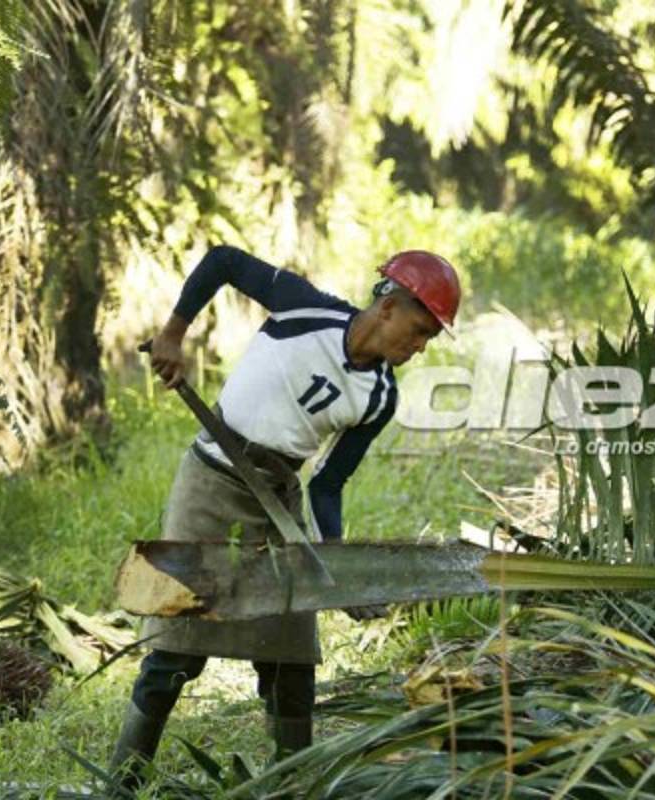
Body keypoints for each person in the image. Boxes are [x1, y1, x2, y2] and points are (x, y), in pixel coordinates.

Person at [110, 244, 461, 785]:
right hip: (210, 481)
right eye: (418, 331)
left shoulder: (380, 397)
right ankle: (121, 782)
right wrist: (174, 335)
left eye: (429, 340)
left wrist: (336, 564)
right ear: (389, 304)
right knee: (175, 647)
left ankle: (292, 783)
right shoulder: (304, 308)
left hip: (278, 500)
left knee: (292, 659)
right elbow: (223, 261)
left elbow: (327, 484)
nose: (418, 347)